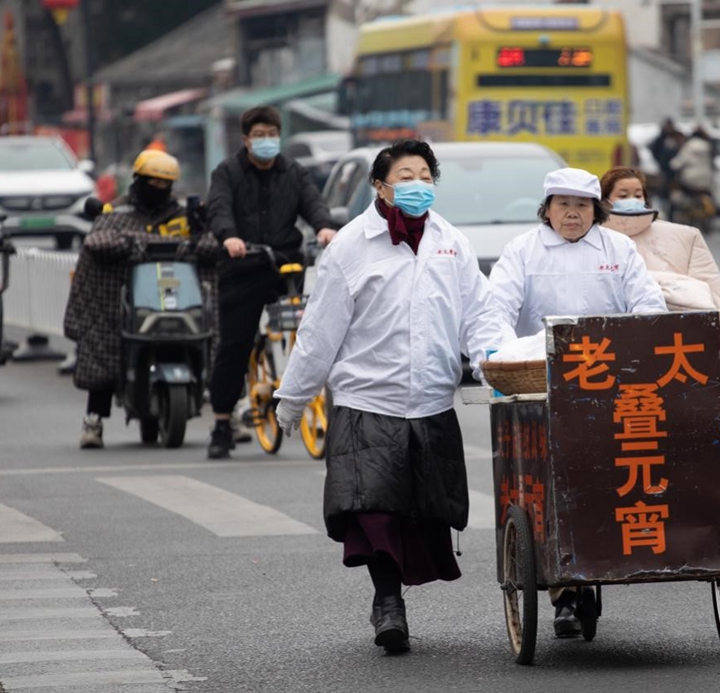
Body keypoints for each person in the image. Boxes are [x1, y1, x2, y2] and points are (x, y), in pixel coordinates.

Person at [273, 139, 512, 653]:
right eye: (406, 176)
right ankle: (387, 603)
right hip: (366, 400)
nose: (418, 186)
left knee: (420, 513)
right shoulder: (351, 247)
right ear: (379, 186)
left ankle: (395, 593)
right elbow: (320, 332)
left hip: (429, 401)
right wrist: (293, 398)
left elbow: (479, 312)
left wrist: (495, 360)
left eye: (426, 175)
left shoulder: (451, 242)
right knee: (373, 509)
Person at [489, 168, 666, 638]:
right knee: (554, 486)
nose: (572, 213)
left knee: (610, 481)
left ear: (597, 210)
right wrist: (504, 357)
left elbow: (648, 307)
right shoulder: (521, 251)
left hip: (610, 390)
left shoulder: (618, 249)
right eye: (562, 204)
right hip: (543, 388)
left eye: (582, 205)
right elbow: (495, 314)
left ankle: (601, 560)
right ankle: (564, 592)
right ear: (546, 209)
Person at [205, 106, 338, 459]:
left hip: (284, 264)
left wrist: (324, 226)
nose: (266, 141)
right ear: (246, 139)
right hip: (241, 265)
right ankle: (221, 421)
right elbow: (218, 208)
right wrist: (229, 237)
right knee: (234, 345)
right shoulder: (227, 172)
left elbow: (313, 203)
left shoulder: (294, 172)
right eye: (259, 135)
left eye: (271, 135)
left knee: (313, 329)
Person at [64, 151, 219, 449]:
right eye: (152, 182)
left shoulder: (185, 213)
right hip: (123, 301)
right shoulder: (117, 212)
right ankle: (93, 420)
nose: (158, 188)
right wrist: (128, 245)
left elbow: (211, 242)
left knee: (219, 346)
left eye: (165, 183)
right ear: (138, 180)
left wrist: (196, 244)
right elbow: (97, 241)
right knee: (103, 352)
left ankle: (229, 415)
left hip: (179, 300)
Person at [601, 166, 720, 311]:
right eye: (623, 196)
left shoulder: (686, 236)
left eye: (638, 195)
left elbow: (715, 294)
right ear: (605, 200)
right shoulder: (593, 238)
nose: (632, 200)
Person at [648, 118, 685, 207]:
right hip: (664, 169)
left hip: (675, 170)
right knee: (664, 190)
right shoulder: (660, 139)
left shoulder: (676, 137)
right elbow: (654, 150)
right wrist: (660, 161)